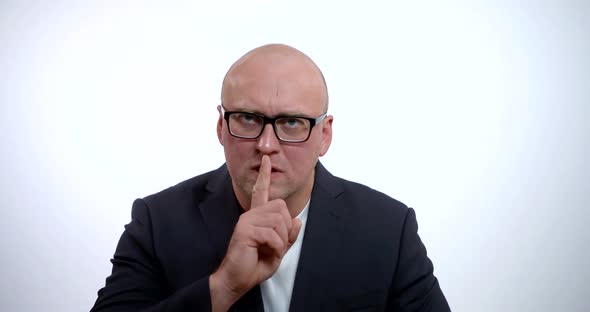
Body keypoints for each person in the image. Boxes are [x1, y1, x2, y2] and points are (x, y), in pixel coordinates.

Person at [91, 44, 450, 312]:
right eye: (247, 118)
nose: (266, 145)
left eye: (291, 123)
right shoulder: (157, 221)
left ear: (324, 135)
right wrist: (223, 287)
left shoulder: (389, 228)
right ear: (221, 126)